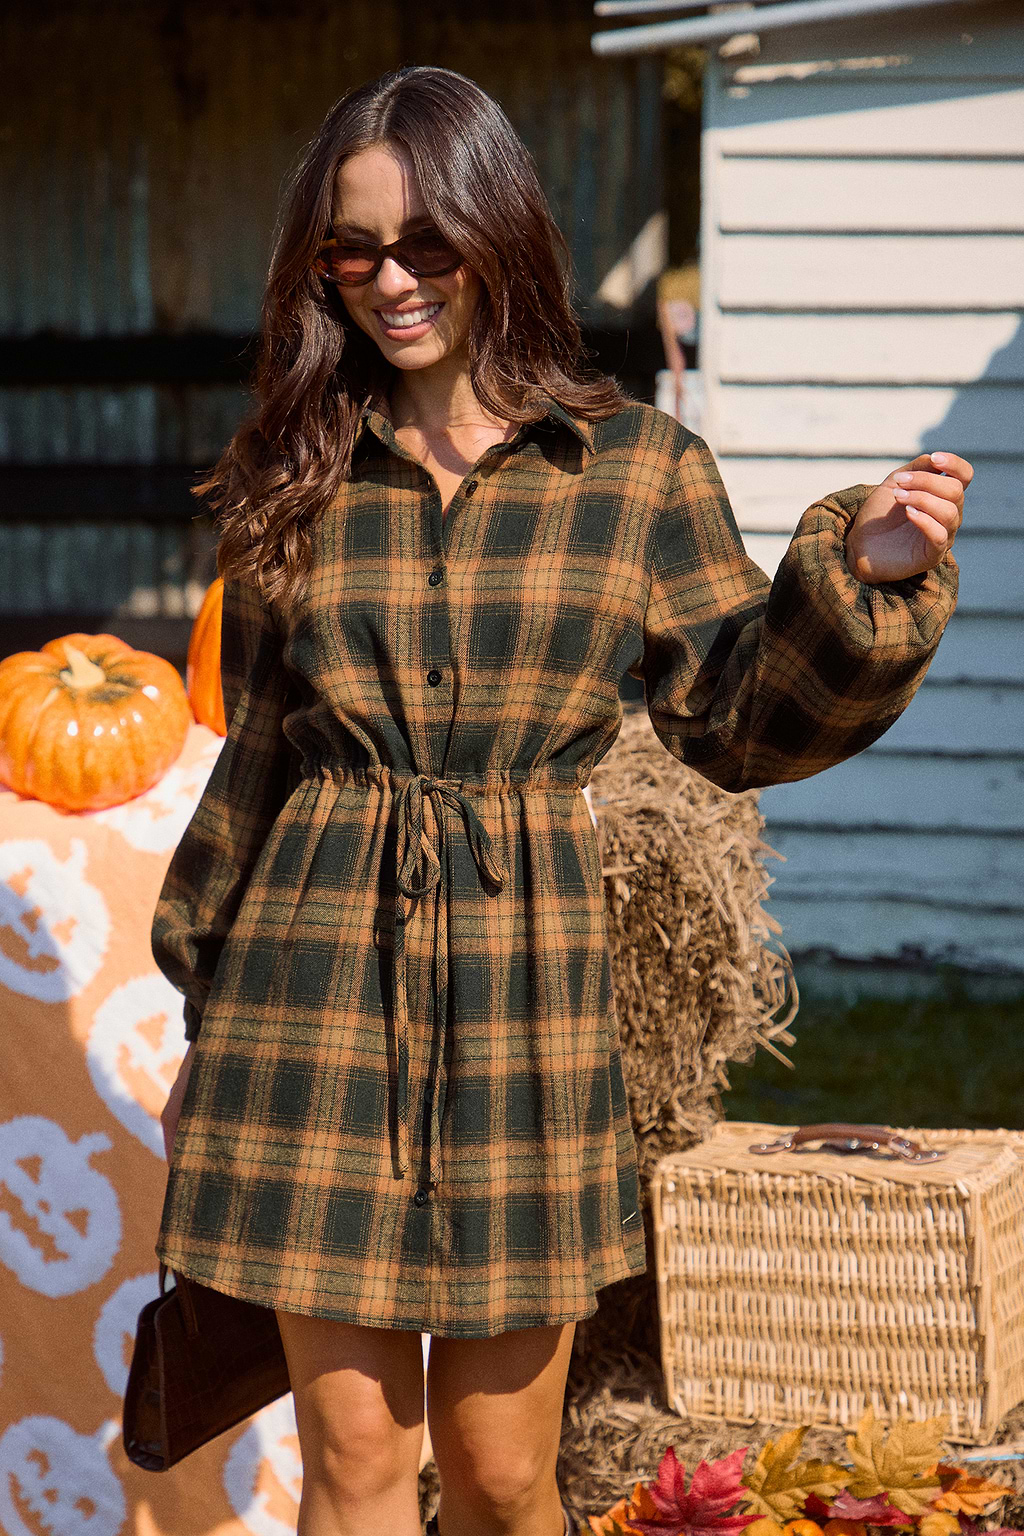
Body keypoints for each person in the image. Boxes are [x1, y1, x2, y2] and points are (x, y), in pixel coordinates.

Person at [152, 64, 969, 1536]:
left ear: (498, 234)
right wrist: (199, 999)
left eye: (423, 244)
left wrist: (865, 587)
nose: (387, 280)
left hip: (523, 998)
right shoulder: (300, 468)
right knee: (346, 1470)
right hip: (309, 998)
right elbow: (259, 753)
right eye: (351, 249)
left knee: (503, 1472)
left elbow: (736, 714)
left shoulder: (637, 471)